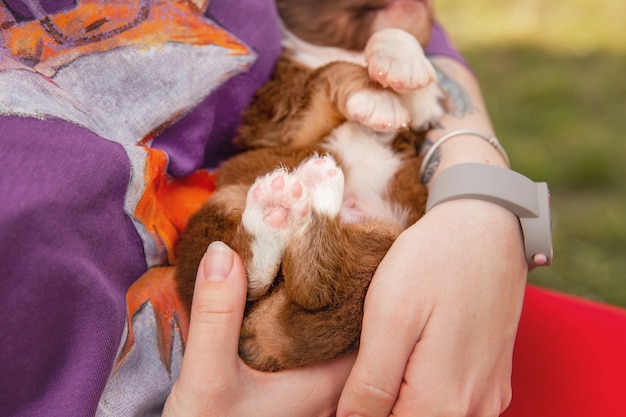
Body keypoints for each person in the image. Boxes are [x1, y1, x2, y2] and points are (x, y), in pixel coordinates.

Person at [0, 0, 538, 416]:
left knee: (340, 254)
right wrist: (341, 85)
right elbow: (286, 116)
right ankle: (281, 251)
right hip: (232, 326)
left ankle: (289, 252)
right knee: (235, 226)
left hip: (376, 318)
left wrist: (481, 199)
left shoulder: (357, 25)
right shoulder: (296, 63)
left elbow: (415, 55)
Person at [164, 5, 527, 417]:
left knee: (376, 262)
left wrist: (398, 47)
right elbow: (278, 126)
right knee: (223, 218)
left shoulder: (389, 31)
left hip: (353, 275)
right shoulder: (292, 58)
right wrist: (342, 84)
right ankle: (265, 255)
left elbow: (428, 101)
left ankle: (297, 243)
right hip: (246, 320)